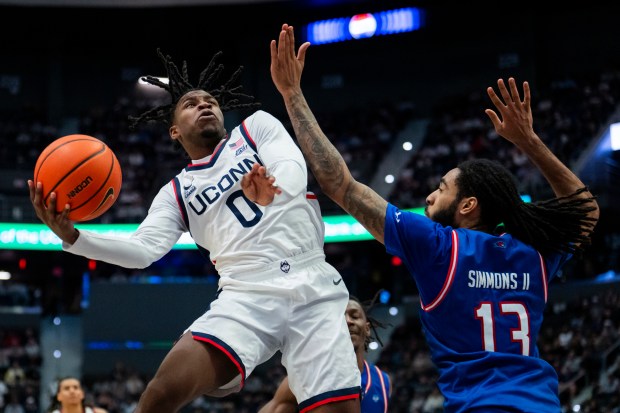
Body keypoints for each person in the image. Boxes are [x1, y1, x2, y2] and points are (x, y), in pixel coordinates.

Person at [270, 24, 600, 412]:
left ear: (467, 206)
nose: (429, 195)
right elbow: (586, 212)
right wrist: (529, 141)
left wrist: (292, 94)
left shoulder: (438, 246)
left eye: (442, 188)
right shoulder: (533, 252)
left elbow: (338, 183)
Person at [29, 48, 361, 413]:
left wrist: (275, 191)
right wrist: (75, 238)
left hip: (312, 280)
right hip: (245, 293)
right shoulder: (176, 192)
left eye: (211, 102)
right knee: (159, 395)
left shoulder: (256, 128)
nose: (205, 105)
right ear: (174, 130)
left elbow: (292, 166)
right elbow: (144, 250)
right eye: (191, 104)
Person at [259, 294, 392, 413]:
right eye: (340, 317)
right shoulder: (308, 373)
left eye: (354, 316)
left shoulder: (383, 381)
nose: (348, 321)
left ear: (367, 328)